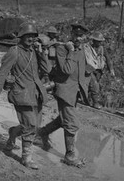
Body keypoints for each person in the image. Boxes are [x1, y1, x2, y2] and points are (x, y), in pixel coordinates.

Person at [0, 22, 51, 170]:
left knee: (33, 126)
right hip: (21, 93)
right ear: (21, 36)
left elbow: (47, 69)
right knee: (30, 125)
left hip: (36, 94)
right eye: (27, 36)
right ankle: (26, 158)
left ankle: (13, 133)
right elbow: (2, 73)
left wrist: (42, 52)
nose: (30, 39)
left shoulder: (35, 51)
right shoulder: (14, 51)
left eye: (33, 36)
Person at [38, 23, 89, 168]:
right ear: (71, 35)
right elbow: (67, 70)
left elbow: (81, 72)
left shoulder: (81, 49)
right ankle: (69, 156)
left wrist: (86, 89)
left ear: (85, 37)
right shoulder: (62, 49)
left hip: (75, 91)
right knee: (71, 123)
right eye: (76, 35)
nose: (79, 38)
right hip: (64, 90)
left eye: (82, 36)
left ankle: (42, 132)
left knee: (64, 118)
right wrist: (71, 51)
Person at [86, 31, 115, 109]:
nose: (99, 43)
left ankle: (87, 99)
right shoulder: (87, 48)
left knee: (94, 86)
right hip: (89, 70)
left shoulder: (102, 49)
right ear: (94, 41)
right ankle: (95, 103)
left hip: (99, 71)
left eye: (100, 41)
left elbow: (108, 59)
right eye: (98, 41)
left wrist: (111, 69)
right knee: (94, 85)